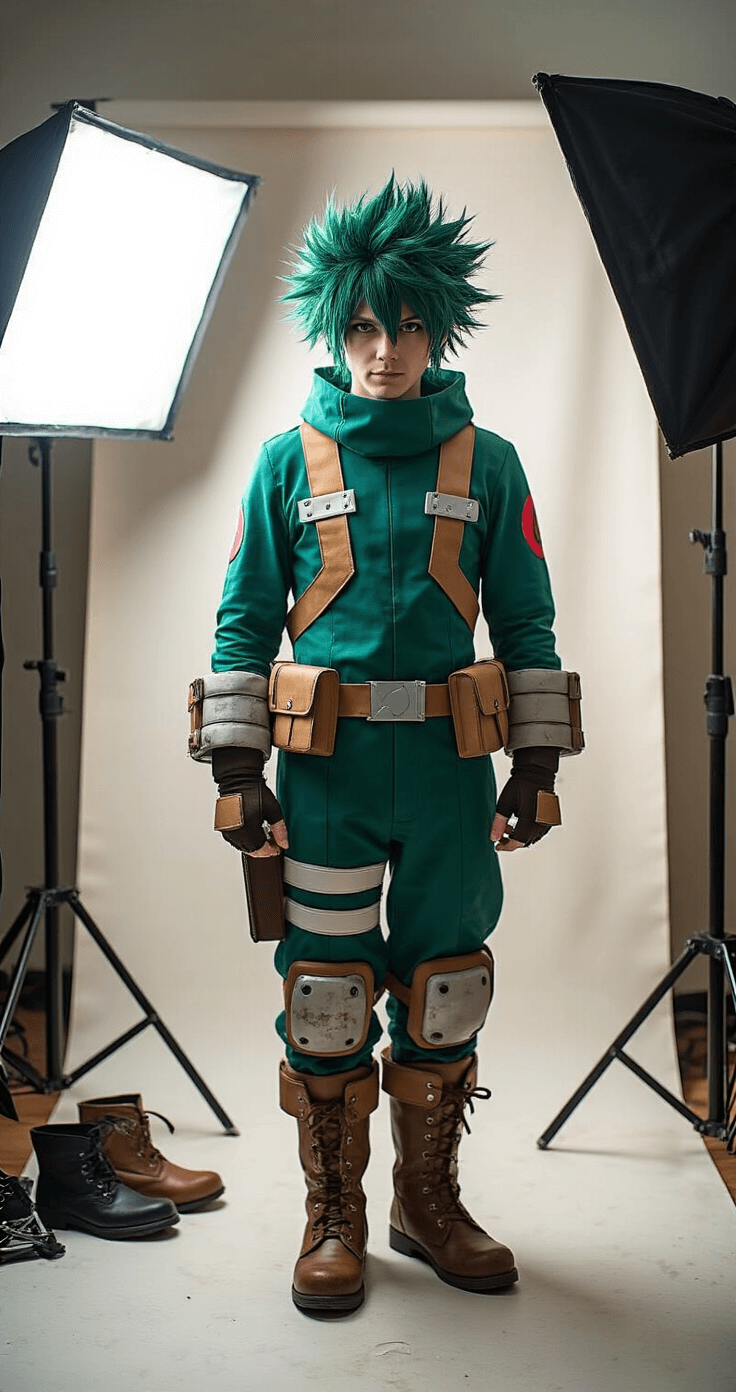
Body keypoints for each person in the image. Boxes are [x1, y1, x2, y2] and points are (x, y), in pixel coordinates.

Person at [190, 176, 582, 1316]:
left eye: (407, 326)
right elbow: (239, 623)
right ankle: (335, 1215)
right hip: (327, 781)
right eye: (363, 326)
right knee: (324, 992)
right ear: (334, 327)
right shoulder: (284, 462)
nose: (384, 350)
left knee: (447, 987)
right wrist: (236, 772)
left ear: (437, 329)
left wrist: (538, 764)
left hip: (455, 780)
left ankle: (426, 1200)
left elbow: (528, 620)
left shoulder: (488, 460)